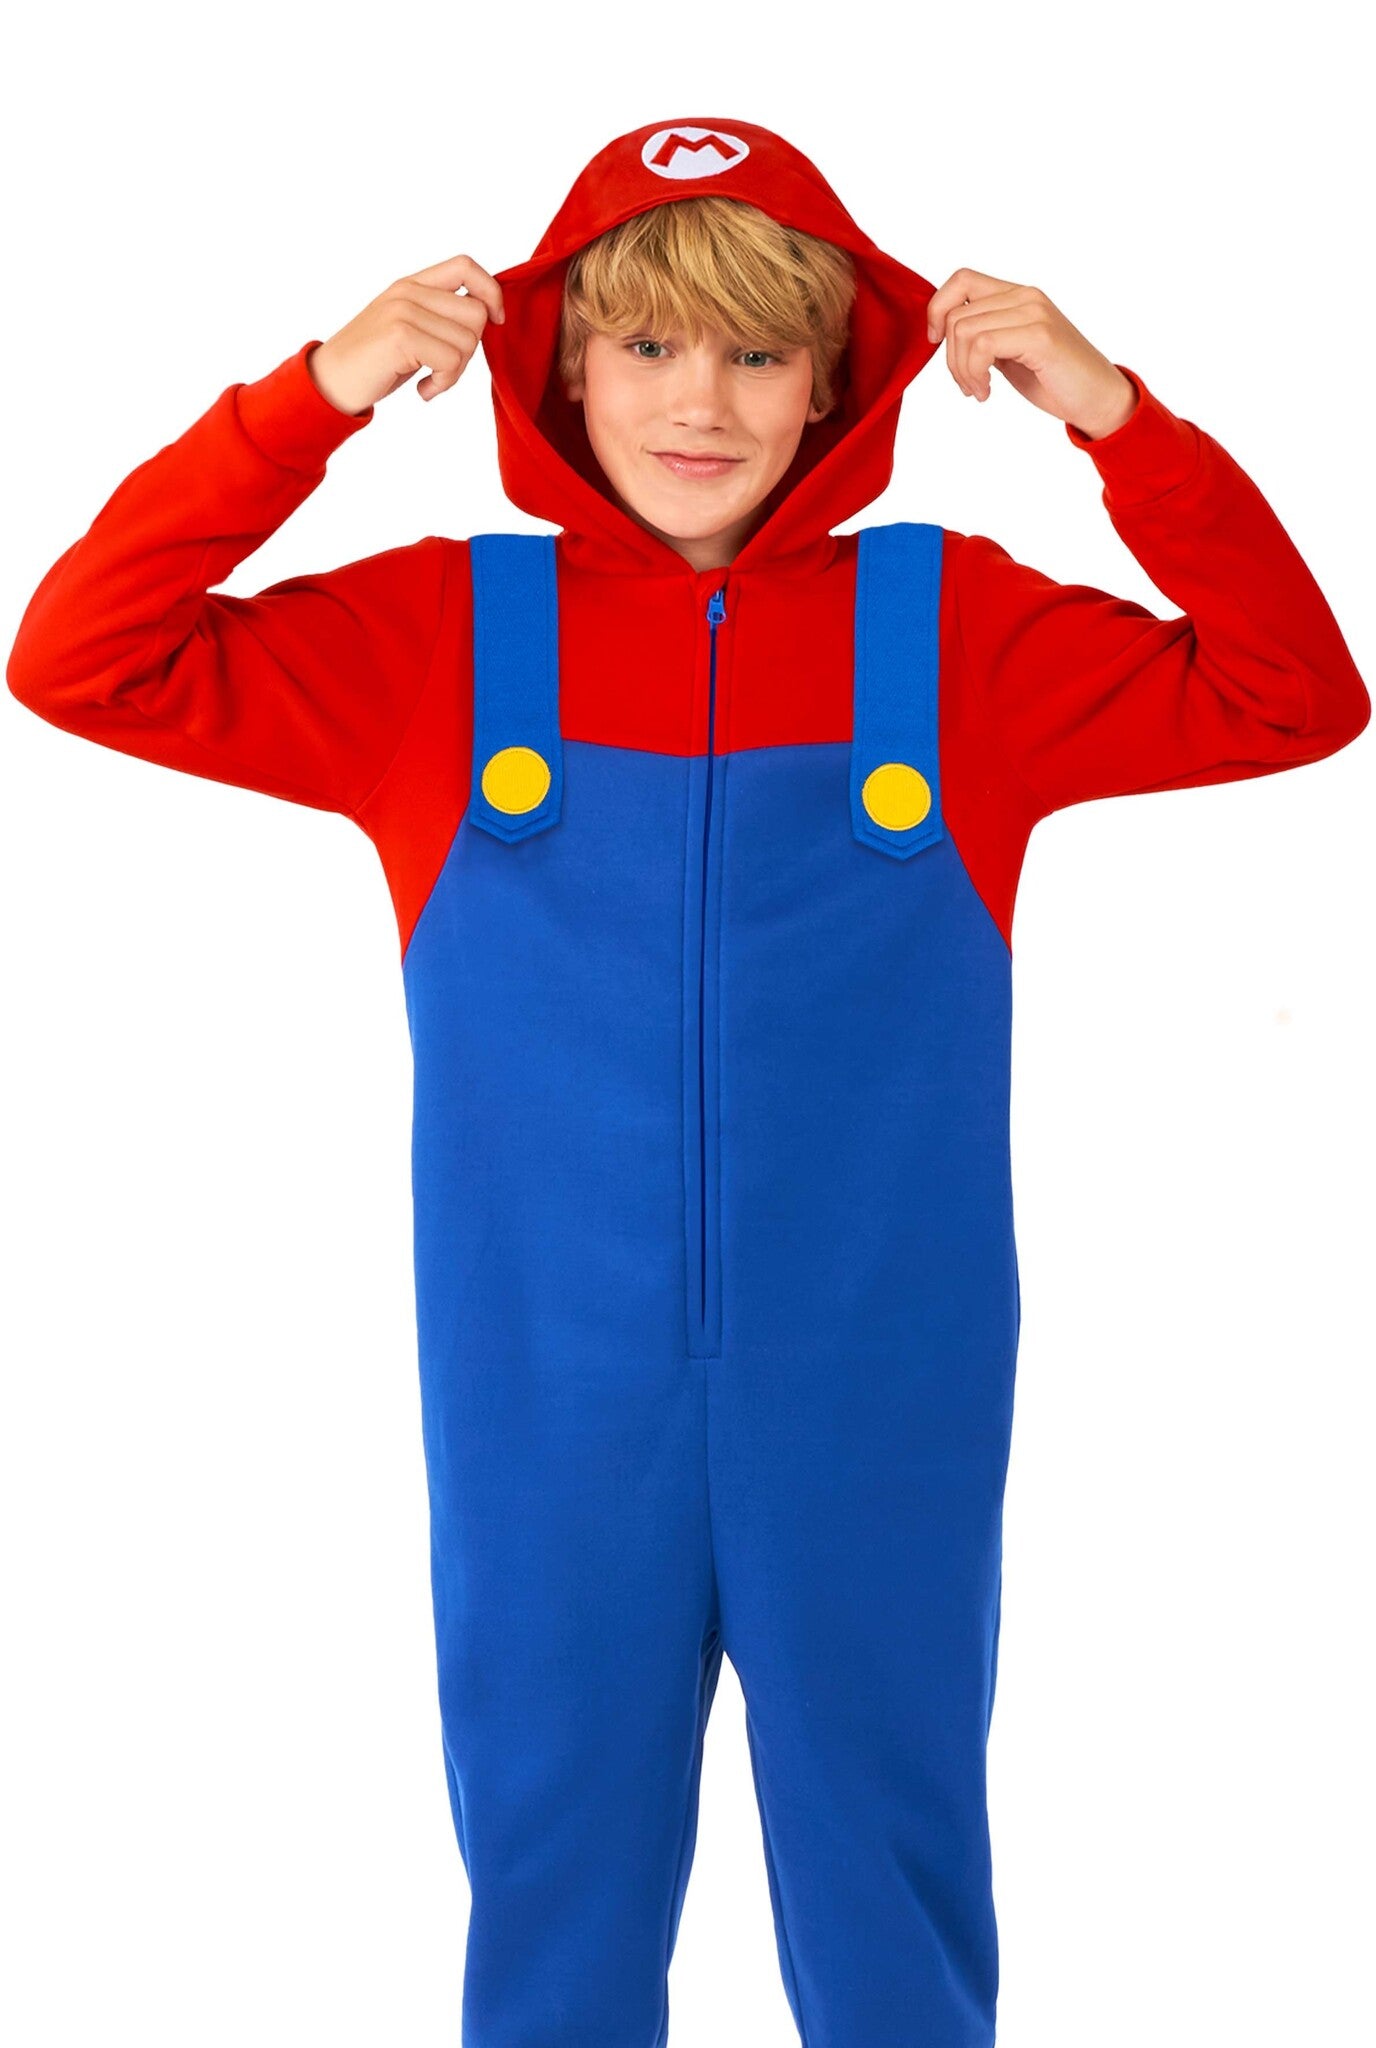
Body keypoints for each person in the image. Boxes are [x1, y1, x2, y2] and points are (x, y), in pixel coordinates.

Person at [6, 115, 1368, 2048]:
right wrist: (317, 394)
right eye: (645, 346)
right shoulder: (442, 639)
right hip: (548, 1400)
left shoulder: (954, 632)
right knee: (553, 1911)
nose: (699, 402)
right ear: (561, 366)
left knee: (893, 1920)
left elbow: (1293, 692)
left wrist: (1113, 415)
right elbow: (83, 657)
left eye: (754, 350)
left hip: (877, 1393)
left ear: (834, 381)